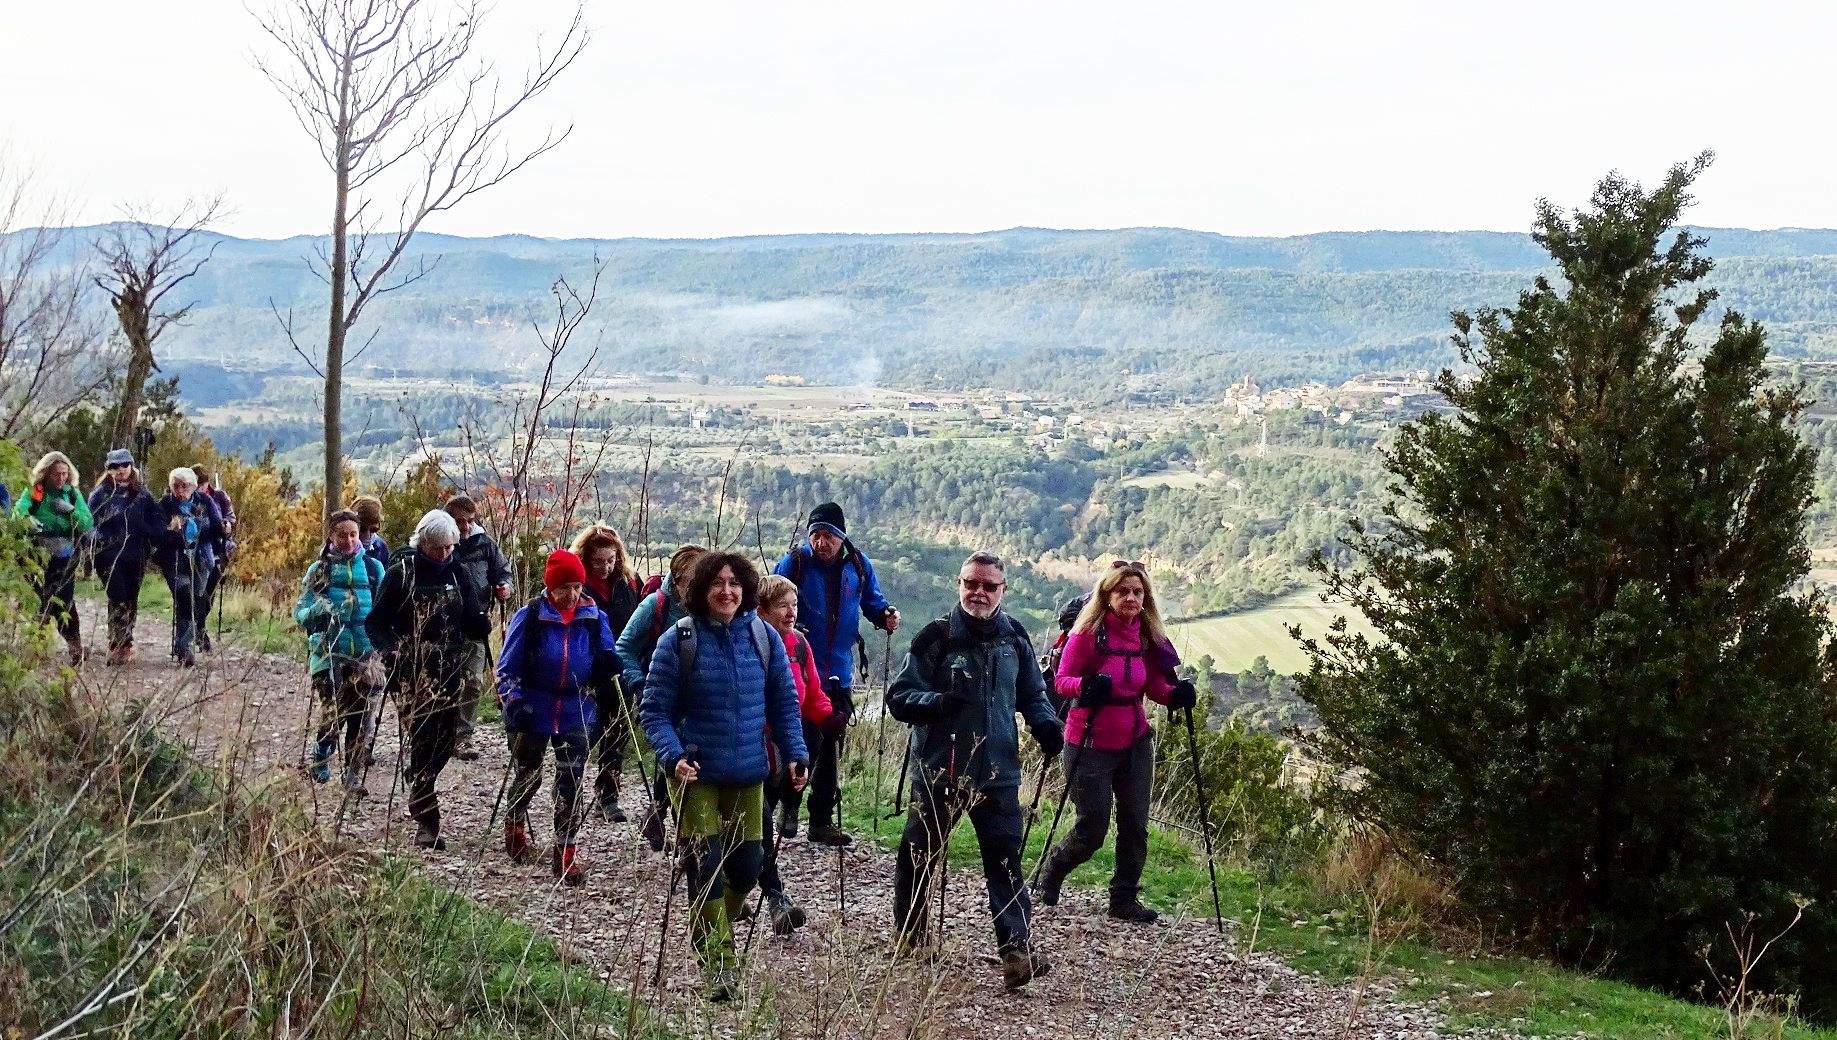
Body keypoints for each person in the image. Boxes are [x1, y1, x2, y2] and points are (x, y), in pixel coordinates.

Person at [887, 551, 1062, 990]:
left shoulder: (1015, 638)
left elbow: (1034, 693)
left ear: (1003, 590)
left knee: (1005, 862)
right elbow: (899, 697)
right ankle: (912, 936)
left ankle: (1016, 950)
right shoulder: (936, 638)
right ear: (959, 584)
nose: (979, 592)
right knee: (919, 855)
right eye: (971, 584)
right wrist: (938, 703)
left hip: (999, 771)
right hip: (940, 772)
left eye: (989, 586)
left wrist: (1045, 723)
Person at [639, 551, 809, 1001]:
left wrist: (795, 752)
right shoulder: (679, 640)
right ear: (700, 590)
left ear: (746, 589)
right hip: (694, 773)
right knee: (705, 864)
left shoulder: (763, 637)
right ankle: (719, 958)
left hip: (749, 770)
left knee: (749, 866)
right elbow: (653, 711)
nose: (727, 591)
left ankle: (714, 924)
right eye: (717, 583)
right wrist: (672, 754)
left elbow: (785, 704)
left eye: (735, 583)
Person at [1034, 561, 1195, 924]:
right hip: (1089, 739)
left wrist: (1175, 695)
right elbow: (1062, 681)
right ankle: (1052, 871)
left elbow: (1152, 683)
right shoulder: (1087, 633)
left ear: (1146, 597)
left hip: (1135, 739)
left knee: (1135, 822)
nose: (1131, 598)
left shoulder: (1145, 636)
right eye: (1123, 591)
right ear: (1106, 596)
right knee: (1092, 827)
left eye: (1138, 592)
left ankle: (1123, 898)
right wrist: (1085, 687)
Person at [772, 502, 900, 846]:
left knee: (830, 745)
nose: (820, 542)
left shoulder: (859, 564)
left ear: (841, 536)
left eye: (827, 535)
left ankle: (821, 820)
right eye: (815, 534)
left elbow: (872, 601)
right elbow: (771, 599)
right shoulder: (795, 562)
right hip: (796, 669)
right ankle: (789, 805)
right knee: (801, 740)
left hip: (839, 674)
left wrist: (885, 614)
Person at [496, 549, 622, 885]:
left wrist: (609, 668)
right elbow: (506, 668)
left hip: (576, 709)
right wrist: (513, 702)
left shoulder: (595, 617)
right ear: (549, 587)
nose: (571, 594)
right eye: (563, 587)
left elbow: (607, 654)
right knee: (528, 774)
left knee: (571, 783)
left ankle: (565, 856)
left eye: (577, 586)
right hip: (533, 707)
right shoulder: (531, 616)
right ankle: (515, 830)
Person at [369, 509, 490, 849]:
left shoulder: (460, 573)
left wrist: (479, 624)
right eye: (438, 548)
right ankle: (427, 820)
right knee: (422, 741)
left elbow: (470, 619)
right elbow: (375, 623)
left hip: (449, 669)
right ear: (422, 543)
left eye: (450, 547)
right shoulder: (401, 574)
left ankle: (421, 778)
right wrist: (392, 650)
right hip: (411, 673)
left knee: (446, 740)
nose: (444, 554)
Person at [754, 574, 837, 935]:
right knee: (757, 824)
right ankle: (774, 898)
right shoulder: (748, 642)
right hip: (751, 745)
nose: (790, 613)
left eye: (794, 605)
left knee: (758, 824)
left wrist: (831, 715)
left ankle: (754, 892)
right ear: (762, 609)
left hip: (785, 742)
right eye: (782, 606)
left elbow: (812, 689)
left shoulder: (799, 643)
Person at [616, 543, 707, 848]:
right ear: (677, 579)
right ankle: (679, 829)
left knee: (686, 756)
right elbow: (624, 647)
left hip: (696, 695)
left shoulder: (708, 607)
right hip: (660, 692)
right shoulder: (655, 606)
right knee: (677, 754)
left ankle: (661, 816)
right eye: (693, 584)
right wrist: (640, 684)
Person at [294, 510, 387, 791]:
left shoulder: (373, 569)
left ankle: (352, 777)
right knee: (334, 714)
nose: (348, 540)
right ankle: (322, 753)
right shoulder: (318, 570)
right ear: (330, 536)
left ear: (359, 535)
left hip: (365, 654)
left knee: (362, 719)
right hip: (328, 652)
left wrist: (389, 640)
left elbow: (384, 611)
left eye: (353, 534)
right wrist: (318, 612)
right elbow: (300, 613)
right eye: (341, 534)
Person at [569, 523, 642, 819]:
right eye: (598, 561)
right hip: (586, 672)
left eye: (610, 560)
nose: (605, 566)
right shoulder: (576, 586)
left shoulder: (628, 583)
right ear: (586, 558)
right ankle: (570, 794)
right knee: (584, 734)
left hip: (620, 669)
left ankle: (608, 796)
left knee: (617, 731)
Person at [446, 494, 512, 760]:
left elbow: (503, 573)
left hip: (478, 622)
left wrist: (505, 588)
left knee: (472, 681)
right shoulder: (441, 543)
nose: (464, 527)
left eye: (469, 521)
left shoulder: (485, 545)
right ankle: (440, 734)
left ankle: (463, 737)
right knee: (446, 679)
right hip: (445, 624)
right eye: (459, 521)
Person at [15, 451, 93, 664]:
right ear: (46, 473)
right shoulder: (35, 492)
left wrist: (70, 512)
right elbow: (19, 512)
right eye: (57, 474)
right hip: (37, 553)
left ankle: (75, 646)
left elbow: (87, 521)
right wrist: (29, 521)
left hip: (65, 553)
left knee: (64, 599)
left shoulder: (72, 495)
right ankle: (37, 647)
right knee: (40, 600)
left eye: (65, 474)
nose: (61, 478)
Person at [87, 449, 163, 666]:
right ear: (108, 469)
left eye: (124, 465)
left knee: (131, 598)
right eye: (115, 467)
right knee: (117, 596)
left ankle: (126, 642)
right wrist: (99, 540)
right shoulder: (100, 494)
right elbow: (89, 523)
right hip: (109, 555)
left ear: (131, 466)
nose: (120, 470)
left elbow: (156, 520)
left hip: (136, 554)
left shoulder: (143, 494)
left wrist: (156, 534)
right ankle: (117, 643)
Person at [153, 467, 224, 669]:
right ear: (171, 487)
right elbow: (158, 534)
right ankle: (185, 648)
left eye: (184, 485)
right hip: (175, 559)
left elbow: (216, 526)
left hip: (202, 558)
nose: (180, 489)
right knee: (184, 598)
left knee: (197, 601)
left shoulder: (204, 501)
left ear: (193, 486)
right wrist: (171, 531)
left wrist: (225, 529)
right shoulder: (165, 505)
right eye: (176, 485)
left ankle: (183, 646)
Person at [191, 464, 237, 651]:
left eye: (200, 484)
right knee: (198, 592)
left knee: (209, 593)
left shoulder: (219, 496)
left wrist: (227, 524)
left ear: (206, 483)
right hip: (196, 550)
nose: (197, 489)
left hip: (219, 550)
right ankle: (199, 631)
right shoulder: (189, 497)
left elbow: (231, 517)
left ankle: (198, 626)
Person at [352, 495, 391, 571]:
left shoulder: (381, 547)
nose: (367, 535)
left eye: (373, 530)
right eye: (362, 530)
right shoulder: (340, 545)